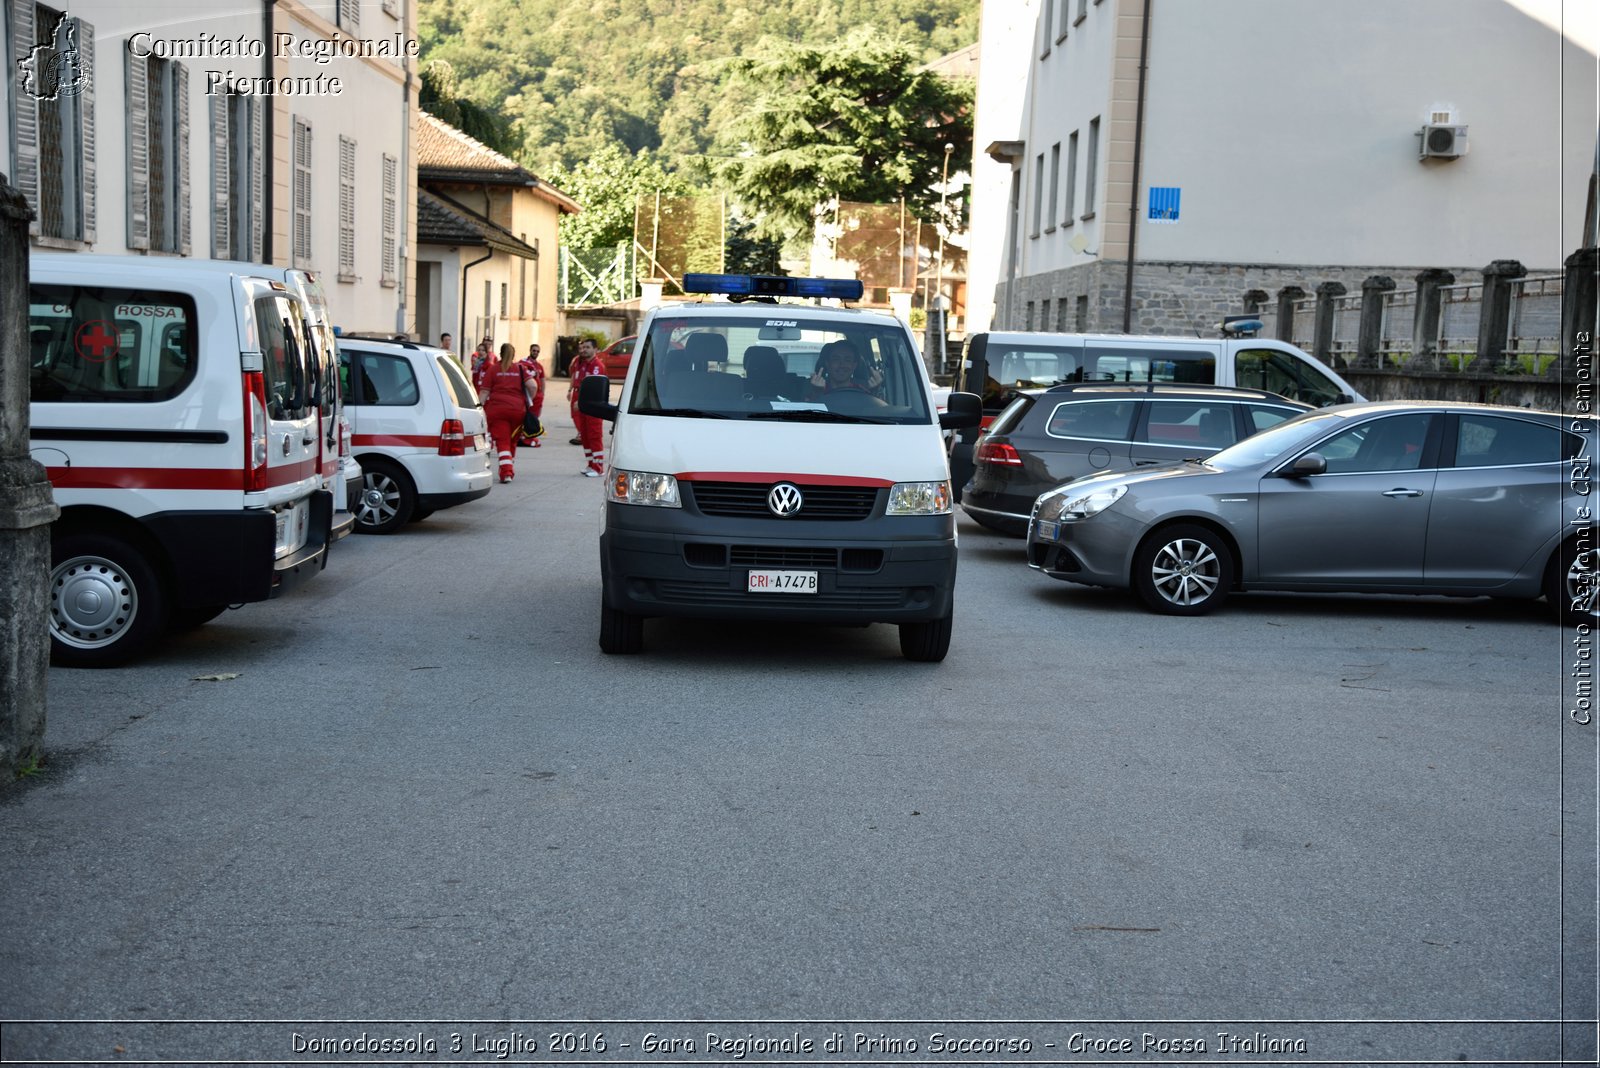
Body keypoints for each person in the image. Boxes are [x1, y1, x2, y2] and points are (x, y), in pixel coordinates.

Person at [481, 342, 538, 483]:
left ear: (500, 354)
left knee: (503, 442)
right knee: (512, 441)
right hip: (517, 410)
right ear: (513, 355)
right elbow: (533, 385)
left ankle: (506, 472)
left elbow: (484, 393)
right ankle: (508, 465)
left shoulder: (493, 369)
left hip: (497, 410)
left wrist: (478, 408)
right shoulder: (520, 368)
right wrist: (529, 399)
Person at [567, 338, 608, 476]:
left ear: (595, 350)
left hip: (592, 405)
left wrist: (582, 401)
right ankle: (591, 464)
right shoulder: (581, 363)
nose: (584, 350)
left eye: (588, 347)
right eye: (583, 347)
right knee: (584, 435)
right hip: (581, 402)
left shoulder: (597, 366)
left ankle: (598, 467)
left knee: (594, 435)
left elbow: (594, 390)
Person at [807, 339, 884, 402]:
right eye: (836, 359)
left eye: (847, 360)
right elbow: (806, 415)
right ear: (827, 364)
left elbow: (879, 413)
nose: (842, 365)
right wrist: (817, 394)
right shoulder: (812, 388)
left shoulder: (864, 391)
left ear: (854, 365)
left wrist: (875, 394)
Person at [518, 341, 547, 448]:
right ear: (530, 351)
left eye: (537, 351)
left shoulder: (539, 366)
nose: (535, 352)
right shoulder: (523, 363)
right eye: (534, 350)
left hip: (538, 396)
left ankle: (530, 435)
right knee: (526, 417)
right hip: (528, 395)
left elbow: (543, 380)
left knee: (534, 417)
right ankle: (523, 437)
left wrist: (543, 393)